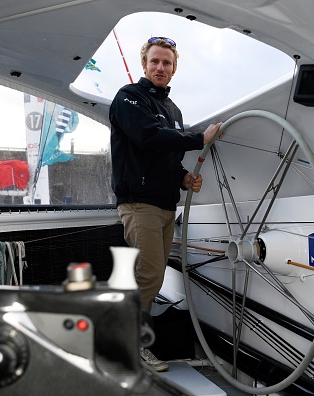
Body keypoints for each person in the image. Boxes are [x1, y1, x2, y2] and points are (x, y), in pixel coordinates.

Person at [109, 37, 223, 371]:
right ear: (144, 64)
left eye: (167, 63)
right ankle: (131, 348)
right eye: (156, 61)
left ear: (174, 69)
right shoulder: (129, 97)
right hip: (139, 203)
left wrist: (184, 178)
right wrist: (199, 138)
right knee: (148, 275)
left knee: (153, 277)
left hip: (165, 205)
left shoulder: (173, 110)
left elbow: (166, 155)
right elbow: (148, 137)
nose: (161, 68)